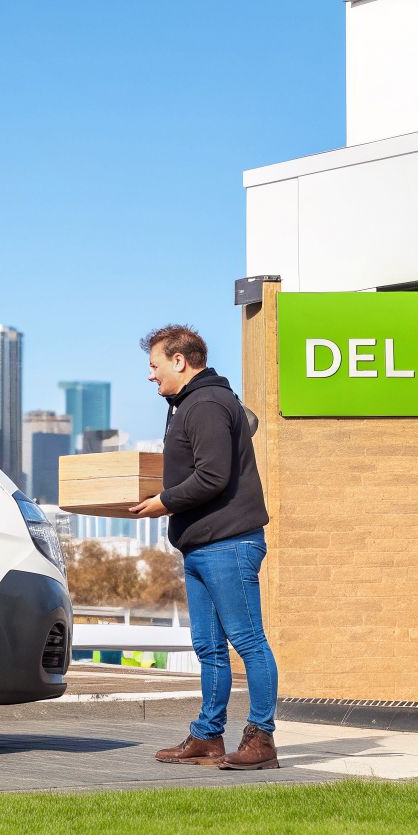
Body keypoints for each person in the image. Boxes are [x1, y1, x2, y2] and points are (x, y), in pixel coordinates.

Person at [132, 324, 278, 770]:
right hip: (200, 545)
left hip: (228, 543)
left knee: (248, 640)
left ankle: (262, 739)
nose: (151, 376)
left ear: (180, 360)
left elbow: (213, 475)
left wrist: (164, 502)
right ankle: (208, 736)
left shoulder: (208, 404)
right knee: (209, 647)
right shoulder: (188, 405)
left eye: (155, 366)